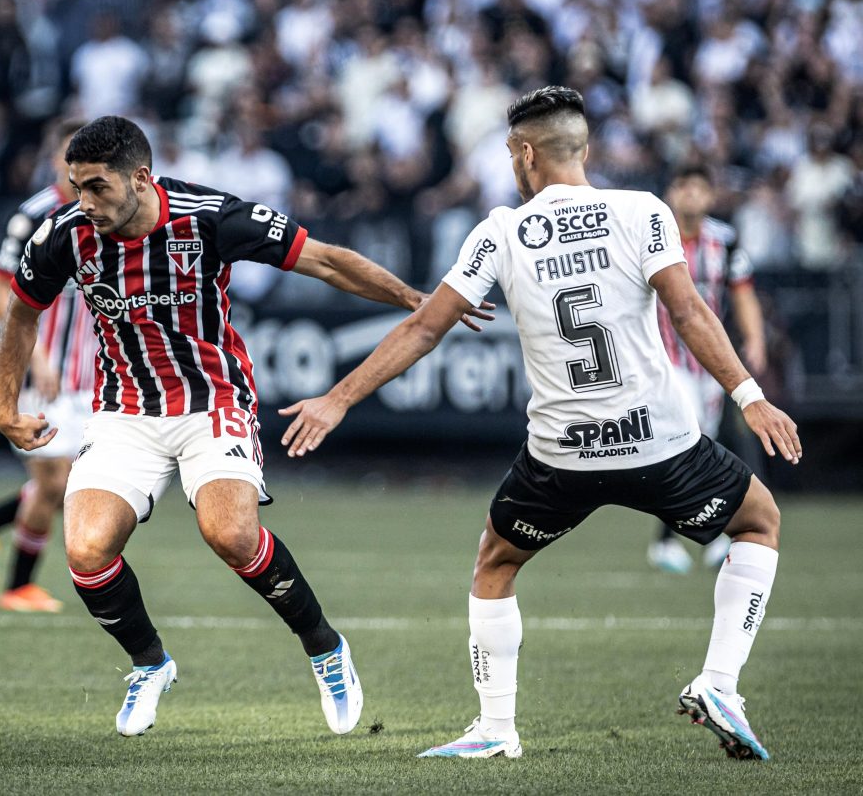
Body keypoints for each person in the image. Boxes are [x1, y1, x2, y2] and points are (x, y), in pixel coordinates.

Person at [281, 87, 800, 761]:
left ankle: (496, 727)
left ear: (527, 153)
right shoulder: (643, 211)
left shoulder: (501, 231)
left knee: (496, 563)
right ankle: (720, 683)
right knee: (758, 521)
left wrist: (339, 398)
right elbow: (691, 313)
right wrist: (749, 395)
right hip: (661, 440)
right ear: (581, 149)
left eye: (509, 153)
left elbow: (422, 327)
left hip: (563, 455)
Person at [0, 115, 494, 737]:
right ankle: (150, 664)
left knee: (228, 532)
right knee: (87, 550)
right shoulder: (64, 234)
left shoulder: (209, 217)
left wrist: (415, 299)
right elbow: (20, 311)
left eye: (97, 187)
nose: (84, 201)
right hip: (125, 409)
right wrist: (4, 404)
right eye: (76, 185)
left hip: (213, 402)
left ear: (141, 178)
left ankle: (325, 648)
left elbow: (327, 262)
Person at [0, 119, 97, 612]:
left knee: (73, 486)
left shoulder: (113, 213)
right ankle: (18, 586)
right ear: (55, 159)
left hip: (96, 376)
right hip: (46, 373)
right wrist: (36, 357)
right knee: (55, 482)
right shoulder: (36, 215)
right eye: (66, 156)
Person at [648, 164, 768, 574]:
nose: (692, 197)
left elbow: (743, 294)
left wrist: (755, 339)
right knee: (688, 439)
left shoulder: (725, 242)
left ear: (710, 196)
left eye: (700, 189)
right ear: (672, 191)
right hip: (664, 357)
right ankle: (682, 539)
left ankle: (696, 536)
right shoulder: (651, 232)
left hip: (710, 362)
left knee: (703, 443)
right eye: (684, 187)